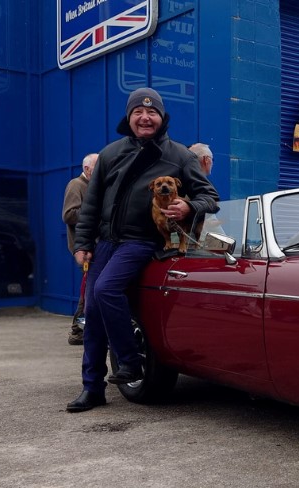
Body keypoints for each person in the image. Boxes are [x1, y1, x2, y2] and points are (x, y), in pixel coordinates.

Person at [67, 87, 219, 413]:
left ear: (162, 118)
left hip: (141, 241)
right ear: (129, 117)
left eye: (152, 113)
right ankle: (92, 388)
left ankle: (131, 362)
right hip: (105, 242)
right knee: (92, 313)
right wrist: (82, 242)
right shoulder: (110, 153)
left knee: (106, 290)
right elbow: (91, 204)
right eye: (138, 112)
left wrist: (188, 206)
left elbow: (210, 197)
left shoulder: (180, 155)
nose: (145, 117)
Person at [62, 152, 98, 345]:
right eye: (97, 167)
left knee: (90, 288)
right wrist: (95, 210)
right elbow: (69, 215)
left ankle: (82, 329)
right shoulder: (76, 185)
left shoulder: (94, 187)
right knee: (87, 290)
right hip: (83, 250)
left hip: (93, 247)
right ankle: (78, 331)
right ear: (87, 169)